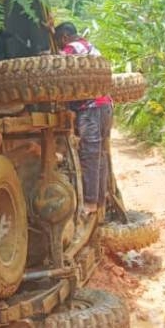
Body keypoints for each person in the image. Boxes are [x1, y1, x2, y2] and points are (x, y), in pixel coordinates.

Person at [53, 22, 113, 215]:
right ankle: (100, 202)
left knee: (89, 155)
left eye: (58, 43)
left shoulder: (72, 49)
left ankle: (89, 203)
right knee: (100, 154)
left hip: (90, 109)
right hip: (105, 106)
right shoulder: (91, 47)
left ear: (63, 38)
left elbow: (54, 65)